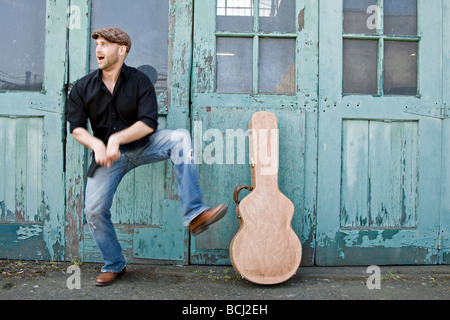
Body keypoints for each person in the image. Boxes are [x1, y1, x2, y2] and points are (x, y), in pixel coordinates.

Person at [66, 27, 228, 286]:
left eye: (105, 44)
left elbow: (149, 123)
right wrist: (96, 144)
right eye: (97, 44)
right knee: (93, 211)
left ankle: (195, 213)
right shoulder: (83, 87)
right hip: (109, 157)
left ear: (122, 50)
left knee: (180, 138)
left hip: (144, 145)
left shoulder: (139, 81)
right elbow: (75, 127)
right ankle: (115, 264)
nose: (98, 49)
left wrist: (117, 139)